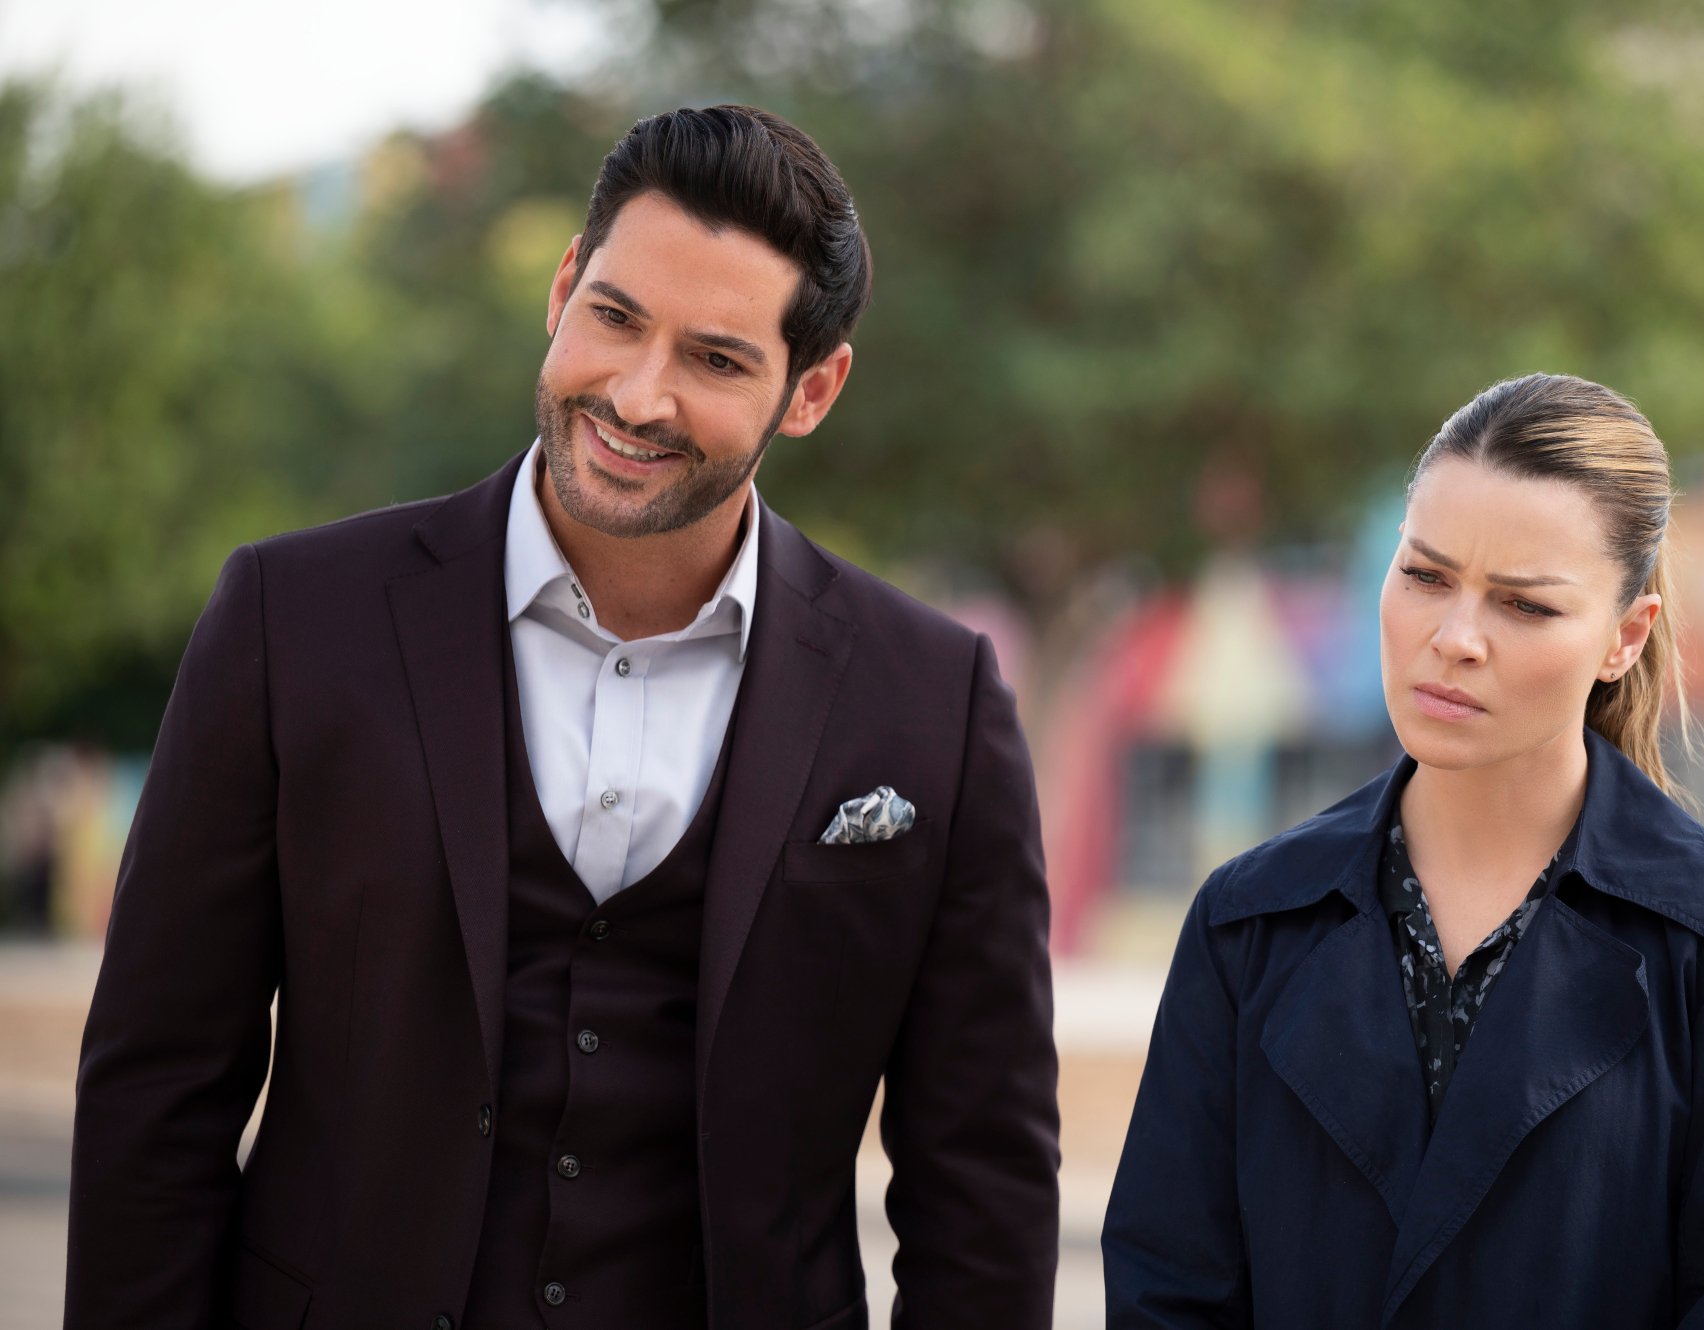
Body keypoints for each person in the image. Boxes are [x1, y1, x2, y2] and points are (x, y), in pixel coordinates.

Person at [67, 105, 1059, 1330]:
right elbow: (158, 1087)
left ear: (812, 391)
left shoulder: (933, 700)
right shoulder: (290, 618)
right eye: (616, 316)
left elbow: (982, 1180)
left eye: (716, 359)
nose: (637, 395)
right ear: (560, 290)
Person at [1102, 374, 1704, 1328]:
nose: (1454, 639)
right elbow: (1169, 1286)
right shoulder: (1251, 918)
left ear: (1624, 638)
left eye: (1524, 606)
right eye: (1425, 576)